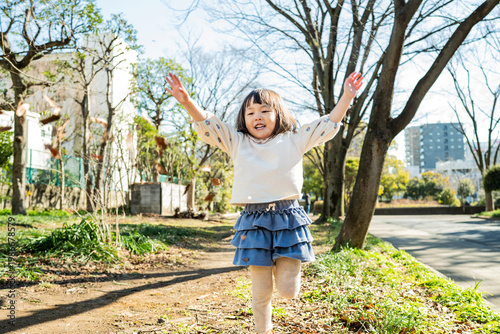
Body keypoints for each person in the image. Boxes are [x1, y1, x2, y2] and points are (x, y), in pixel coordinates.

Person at [166, 72, 363, 334]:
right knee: (260, 293)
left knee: (288, 291)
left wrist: (347, 97)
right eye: (250, 113)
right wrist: (187, 103)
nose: (257, 116)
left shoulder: (294, 139)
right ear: (244, 120)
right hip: (254, 222)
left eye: (264, 110)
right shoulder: (237, 142)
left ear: (278, 114)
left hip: (288, 220)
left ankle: (286, 277)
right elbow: (210, 126)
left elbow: (326, 124)